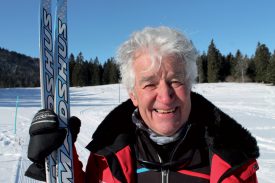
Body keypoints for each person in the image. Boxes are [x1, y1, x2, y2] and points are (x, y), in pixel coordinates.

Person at [26, 26, 259, 182]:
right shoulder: (109, 155)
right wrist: (58, 163)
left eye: (175, 80)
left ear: (190, 86)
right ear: (133, 95)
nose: (165, 96)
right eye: (149, 84)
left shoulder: (233, 160)